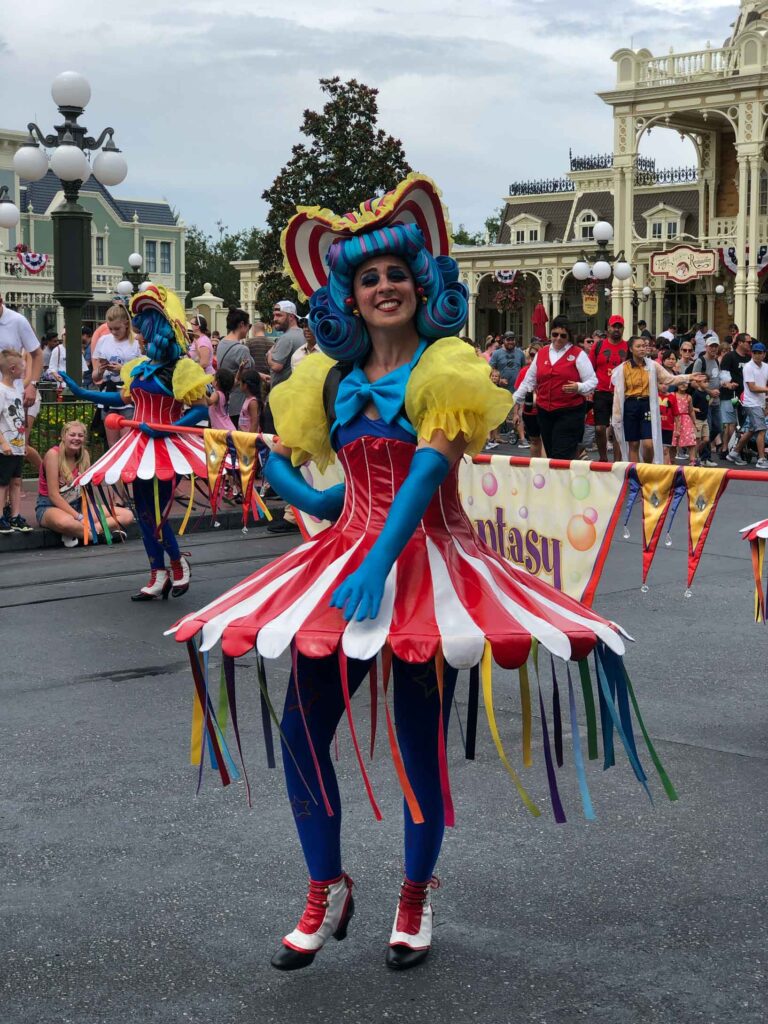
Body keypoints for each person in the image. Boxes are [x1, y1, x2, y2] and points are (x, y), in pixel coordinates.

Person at [168, 175, 647, 973]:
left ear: (418, 284)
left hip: (429, 572)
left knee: (416, 748)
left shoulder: (447, 369)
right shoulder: (333, 384)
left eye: (395, 273)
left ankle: (416, 894)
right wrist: (277, 480)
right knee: (299, 733)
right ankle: (327, 886)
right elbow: (337, 493)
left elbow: (426, 477)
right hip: (348, 562)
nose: (384, 286)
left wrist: (377, 564)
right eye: (367, 277)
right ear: (348, 297)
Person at [60, 285, 211, 598]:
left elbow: (198, 410)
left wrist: (167, 429)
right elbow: (121, 395)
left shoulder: (181, 370)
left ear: (157, 334)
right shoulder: (140, 368)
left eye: (143, 334)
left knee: (156, 513)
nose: (138, 338)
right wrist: (84, 392)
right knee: (142, 513)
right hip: (140, 445)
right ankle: (158, 574)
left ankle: (178, 563)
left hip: (166, 447)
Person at [36, 420, 133, 546]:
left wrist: (86, 512)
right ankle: (98, 536)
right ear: (63, 436)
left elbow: (84, 489)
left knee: (127, 515)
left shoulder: (84, 455)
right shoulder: (53, 455)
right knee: (66, 522)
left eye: (80, 436)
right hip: (51, 506)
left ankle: (79, 533)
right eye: (72, 435)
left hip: (78, 505)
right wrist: (79, 517)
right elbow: (53, 495)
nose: (76, 438)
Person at [611, 336, 705, 463]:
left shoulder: (652, 365)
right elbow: (618, 393)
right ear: (631, 349)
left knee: (649, 444)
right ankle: (634, 475)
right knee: (633, 444)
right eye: (638, 346)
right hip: (630, 405)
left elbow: (669, 379)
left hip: (646, 405)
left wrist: (689, 377)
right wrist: (616, 417)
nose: (642, 349)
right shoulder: (624, 368)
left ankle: (647, 470)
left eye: (644, 346)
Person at [512, 320, 597, 459]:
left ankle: (564, 477)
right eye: (555, 334)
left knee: (561, 454)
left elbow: (593, 381)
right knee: (551, 453)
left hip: (570, 412)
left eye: (563, 335)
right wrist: (512, 400)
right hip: (545, 412)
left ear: (569, 336)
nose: (558, 338)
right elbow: (529, 381)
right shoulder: (542, 353)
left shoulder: (578, 354)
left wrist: (579, 387)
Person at [91, 303, 142, 449]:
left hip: (128, 395)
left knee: (127, 444)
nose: (113, 332)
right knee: (112, 445)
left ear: (126, 323)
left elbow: (145, 370)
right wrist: (101, 370)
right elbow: (95, 377)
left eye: (117, 328)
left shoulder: (136, 341)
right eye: (110, 328)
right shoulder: (103, 340)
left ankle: (129, 471)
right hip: (109, 392)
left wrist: (123, 369)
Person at [0, 349, 32, 533]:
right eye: (22, 367)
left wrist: (23, 443)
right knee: (3, 482)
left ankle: (15, 515)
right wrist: (3, 443)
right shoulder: (2, 391)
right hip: (6, 447)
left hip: (18, 445)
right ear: (13, 369)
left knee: (16, 481)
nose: (23, 371)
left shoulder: (16, 389)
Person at [589, 314, 628, 462]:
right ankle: (603, 458)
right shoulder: (598, 346)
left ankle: (617, 462)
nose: (616, 329)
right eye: (614, 326)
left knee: (618, 429)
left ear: (623, 329)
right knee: (599, 428)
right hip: (601, 391)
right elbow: (589, 369)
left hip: (620, 393)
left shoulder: (627, 347)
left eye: (619, 326)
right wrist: (589, 390)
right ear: (608, 328)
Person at [727, 341, 768, 468]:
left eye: (759, 353)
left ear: (764, 354)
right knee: (761, 430)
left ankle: (734, 453)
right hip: (751, 403)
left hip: (759, 402)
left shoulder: (766, 367)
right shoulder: (748, 367)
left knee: (751, 430)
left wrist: (765, 400)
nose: (756, 355)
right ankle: (761, 459)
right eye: (754, 352)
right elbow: (752, 387)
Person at [216, 308, 254, 421]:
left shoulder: (221, 343)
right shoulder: (242, 349)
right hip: (239, 402)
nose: (248, 329)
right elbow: (246, 377)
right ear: (242, 324)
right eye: (249, 326)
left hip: (224, 399)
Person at [690, 337, 722, 465]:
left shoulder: (716, 361)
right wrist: (709, 392)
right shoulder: (700, 361)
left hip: (716, 400)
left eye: (715, 346)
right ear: (706, 347)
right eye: (711, 346)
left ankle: (700, 452)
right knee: (706, 429)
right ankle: (704, 457)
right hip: (704, 400)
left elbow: (716, 379)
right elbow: (693, 381)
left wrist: (724, 385)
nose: (714, 348)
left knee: (718, 427)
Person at [720, 333, 751, 456]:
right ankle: (724, 449)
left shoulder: (749, 358)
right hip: (730, 395)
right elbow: (723, 374)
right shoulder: (729, 356)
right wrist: (729, 383)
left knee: (742, 423)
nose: (750, 344)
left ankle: (737, 449)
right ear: (740, 343)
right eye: (748, 342)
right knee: (730, 423)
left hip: (745, 396)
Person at [268, 300, 304, 387]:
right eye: (274, 315)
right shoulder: (303, 333)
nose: (275, 319)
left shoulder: (286, 338)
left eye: (279, 315)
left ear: (291, 316)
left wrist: (269, 355)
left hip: (283, 393)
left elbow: (276, 366)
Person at [512, 343, 540, 454]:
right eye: (532, 354)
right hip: (530, 410)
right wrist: (515, 414)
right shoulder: (524, 371)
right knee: (535, 441)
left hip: (546, 410)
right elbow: (518, 394)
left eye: (537, 354)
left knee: (545, 440)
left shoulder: (548, 369)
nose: (535, 357)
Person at [670, 379, 697, 465]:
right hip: (674, 419)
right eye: (681, 383)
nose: (683, 385)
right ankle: (671, 460)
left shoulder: (688, 397)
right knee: (673, 442)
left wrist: (694, 422)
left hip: (686, 420)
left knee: (690, 440)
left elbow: (691, 410)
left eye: (685, 383)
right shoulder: (672, 395)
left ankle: (692, 460)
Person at [205, 367, 236, 431]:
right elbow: (236, 380)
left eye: (214, 377)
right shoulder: (224, 394)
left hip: (222, 430)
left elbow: (210, 402)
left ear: (216, 382)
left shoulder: (217, 394)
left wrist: (201, 393)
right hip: (227, 428)